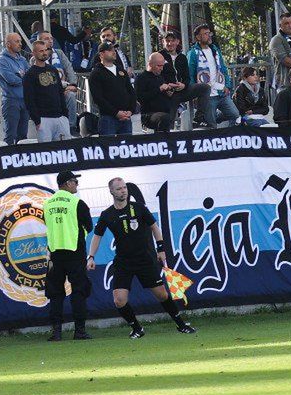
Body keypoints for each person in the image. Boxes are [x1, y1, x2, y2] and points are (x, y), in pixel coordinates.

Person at [89, 178, 195, 338]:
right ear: (111, 191)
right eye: (118, 189)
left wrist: (161, 248)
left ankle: (181, 324)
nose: (123, 191)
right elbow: (97, 236)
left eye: (124, 187)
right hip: (123, 262)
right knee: (119, 300)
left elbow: (155, 227)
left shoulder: (139, 208)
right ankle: (137, 328)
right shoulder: (107, 215)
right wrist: (91, 257)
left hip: (145, 260)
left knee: (162, 295)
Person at [42, 170, 93, 341]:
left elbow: (47, 223)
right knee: (79, 291)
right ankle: (79, 330)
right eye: (74, 182)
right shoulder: (76, 202)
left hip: (55, 254)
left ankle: (56, 332)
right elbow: (89, 226)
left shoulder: (47, 203)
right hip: (75, 252)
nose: (76, 185)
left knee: (55, 293)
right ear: (66, 183)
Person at [23, 45, 74, 142]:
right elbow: (29, 99)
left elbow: (60, 92)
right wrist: (37, 120)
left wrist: (65, 115)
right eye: (41, 51)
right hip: (43, 119)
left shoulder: (53, 69)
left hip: (60, 117)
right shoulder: (30, 74)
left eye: (45, 50)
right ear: (33, 53)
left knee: (64, 150)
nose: (44, 53)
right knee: (46, 151)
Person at [88, 45, 138, 137]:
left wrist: (131, 110)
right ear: (102, 54)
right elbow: (98, 98)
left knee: (126, 147)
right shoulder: (96, 73)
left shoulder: (121, 70)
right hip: (108, 119)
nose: (114, 52)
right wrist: (115, 113)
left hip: (126, 117)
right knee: (108, 147)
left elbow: (131, 91)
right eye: (110, 50)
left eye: (114, 50)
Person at [0, 32, 30, 145]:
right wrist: (24, 78)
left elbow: (30, 77)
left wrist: (21, 77)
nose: (20, 44)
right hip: (11, 101)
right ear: (8, 44)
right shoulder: (2, 60)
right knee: (11, 135)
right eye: (17, 41)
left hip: (24, 100)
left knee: (23, 135)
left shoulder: (23, 60)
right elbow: (11, 80)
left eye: (20, 41)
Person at [135, 53, 176, 134]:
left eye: (162, 66)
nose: (161, 68)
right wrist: (159, 89)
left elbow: (162, 95)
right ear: (150, 64)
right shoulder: (141, 78)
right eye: (158, 66)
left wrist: (169, 93)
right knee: (164, 118)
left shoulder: (160, 77)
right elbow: (140, 98)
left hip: (164, 111)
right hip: (149, 114)